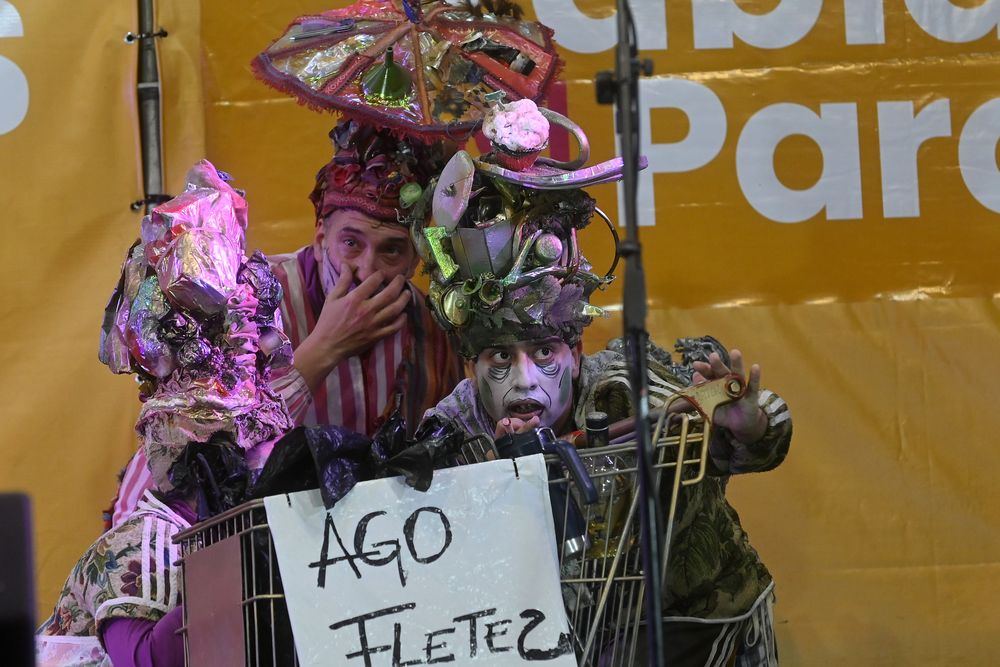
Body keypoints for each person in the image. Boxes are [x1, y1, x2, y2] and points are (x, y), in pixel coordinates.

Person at [416, 106, 791, 666]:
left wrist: (745, 426)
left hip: (693, 633)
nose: (523, 379)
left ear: (576, 351)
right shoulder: (452, 429)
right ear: (470, 365)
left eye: (544, 352)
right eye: (499, 357)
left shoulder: (627, 386)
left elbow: (729, 437)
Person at [106, 121, 462, 528]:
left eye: (392, 251)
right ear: (319, 235)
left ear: (417, 258)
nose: (366, 269)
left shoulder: (432, 328)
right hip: (237, 537)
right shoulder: (246, 300)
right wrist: (326, 347)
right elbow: (197, 455)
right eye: (351, 243)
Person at [37, 162, 292, 667]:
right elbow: (154, 660)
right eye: (227, 444)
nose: (254, 461)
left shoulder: (273, 514)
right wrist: (244, 555)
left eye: (258, 444)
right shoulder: (138, 547)